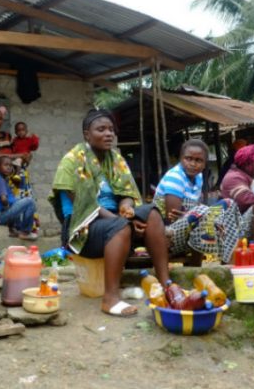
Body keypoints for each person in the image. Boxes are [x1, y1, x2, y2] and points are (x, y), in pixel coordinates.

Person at [50, 109, 169, 317]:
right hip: (80, 229)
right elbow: (84, 206)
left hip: (113, 224)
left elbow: (127, 192)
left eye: (111, 130)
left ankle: (166, 285)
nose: (108, 134)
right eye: (101, 129)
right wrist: (122, 221)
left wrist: (127, 208)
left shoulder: (116, 160)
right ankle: (110, 298)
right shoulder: (72, 162)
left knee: (151, 213)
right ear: (87, 134)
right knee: (120, 226)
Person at [153, 139, 243, 265]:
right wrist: (201, 215)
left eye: (198, 160)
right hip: (167, 236)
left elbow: (189, 212)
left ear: (205, 163)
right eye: (188, 159)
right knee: (203, 210)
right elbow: (171, 218)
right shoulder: (175, 177)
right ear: (181, 159)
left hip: (189, 230)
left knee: (228, 204)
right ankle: (195, 264)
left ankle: (226, 260)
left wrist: (205, 217)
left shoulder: (198, 177)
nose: (193, 164)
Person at [0, 156, 38, 240]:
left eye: (10, 165)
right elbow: (4, 199)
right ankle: (25, 231)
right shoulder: (0, 180)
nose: (9, 167)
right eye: (6, 165)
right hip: (0, 216)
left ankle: (14, 229)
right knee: (29, 201)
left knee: (18, 201)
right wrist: (10, 208)